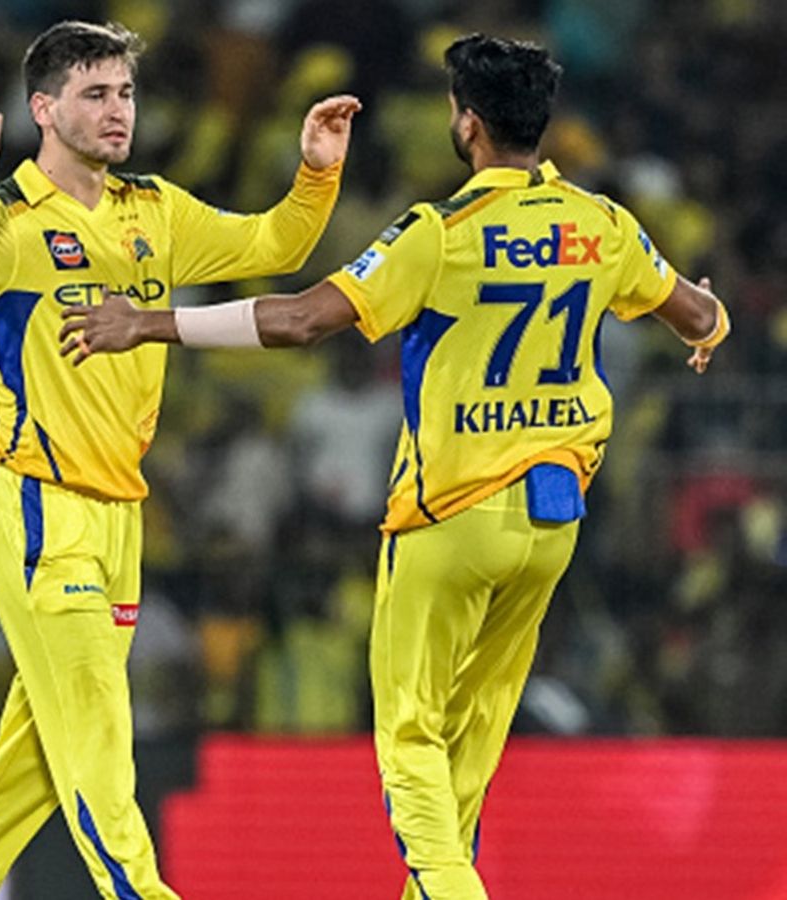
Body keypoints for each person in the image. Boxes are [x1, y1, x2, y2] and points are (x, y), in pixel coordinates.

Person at [58, 33, 729, 900]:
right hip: (552, 522)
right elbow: (695, 310)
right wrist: (710, 332)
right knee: (475, 733)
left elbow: (301, 320)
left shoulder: (439, 234)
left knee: (410, 734)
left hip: (449, 518)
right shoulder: (601, 225)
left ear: (468, 124)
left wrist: (150, 325)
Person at [0, 19, 359, 900]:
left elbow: (274, 248)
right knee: (102, 726)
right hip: (40, 509)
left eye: (127, 94)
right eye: (96, 94)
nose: (119, 112)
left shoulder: (154, 209)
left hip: (119, 519)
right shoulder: (8, 221)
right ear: (43, 109)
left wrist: (317, 171)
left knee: (34, 758)